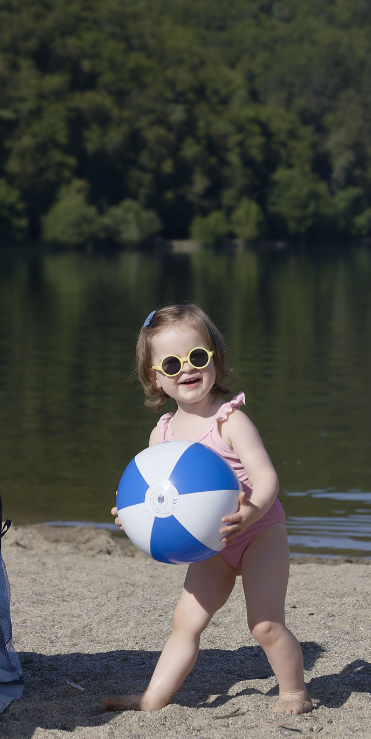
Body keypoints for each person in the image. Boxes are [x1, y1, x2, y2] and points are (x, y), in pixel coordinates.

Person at [105, 303, 312, 716]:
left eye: (197, 357)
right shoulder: (161, 434)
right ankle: (153, 698)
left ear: (214, 358)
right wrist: (133, 516)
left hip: (258, 534)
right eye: (171, 363)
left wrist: (251, 512)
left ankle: (293, 692)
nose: (187, 369)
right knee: (186, 623)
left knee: (264, 624)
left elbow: (267, 478)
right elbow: (156, 493)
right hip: (209, 545)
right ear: (155, 377)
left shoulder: (229, 421)